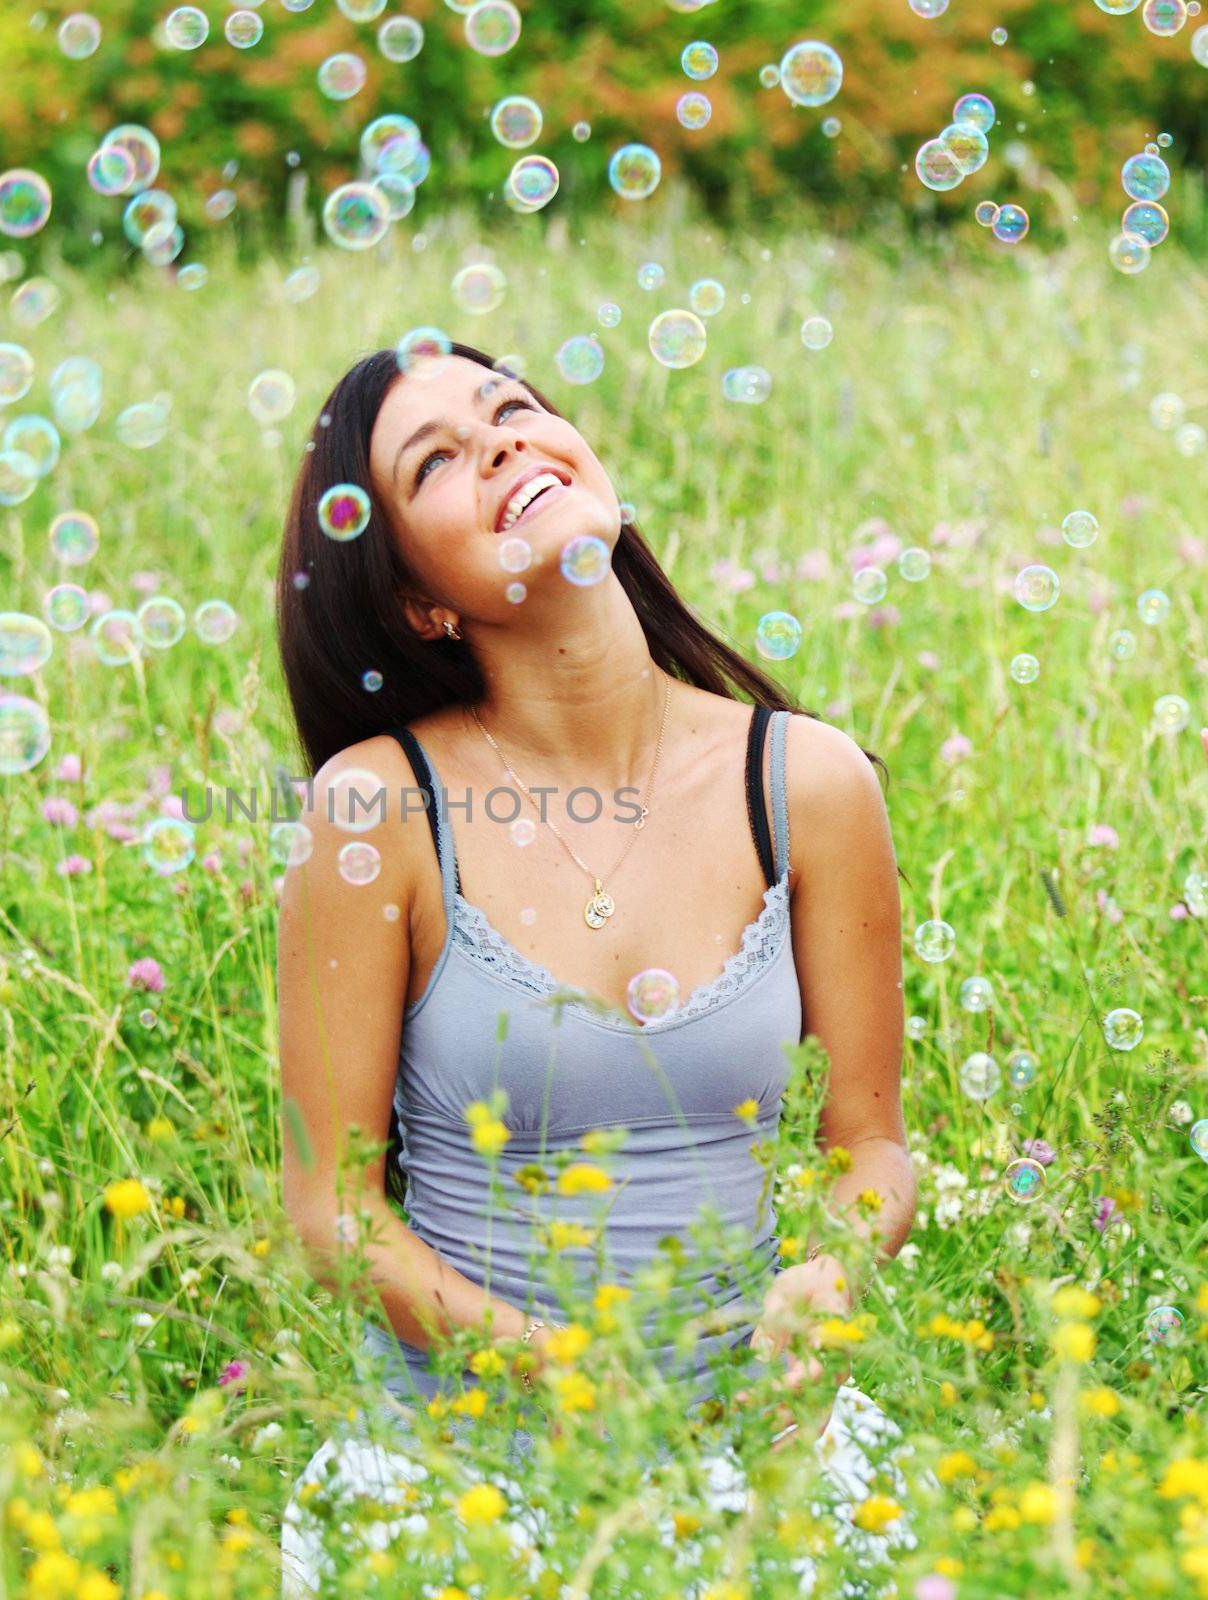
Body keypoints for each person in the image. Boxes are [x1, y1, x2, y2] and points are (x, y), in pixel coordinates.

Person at [273, 342, 918, 1596]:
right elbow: (332, 1213)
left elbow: (872, 1150)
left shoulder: (806, 782)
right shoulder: (376, 808)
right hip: (465, 1474)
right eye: (438, 460)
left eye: (511, 409)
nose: (503, 441)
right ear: (418, 601)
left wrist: (828, 1271)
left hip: (754, 1458)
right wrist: (569, 1367)